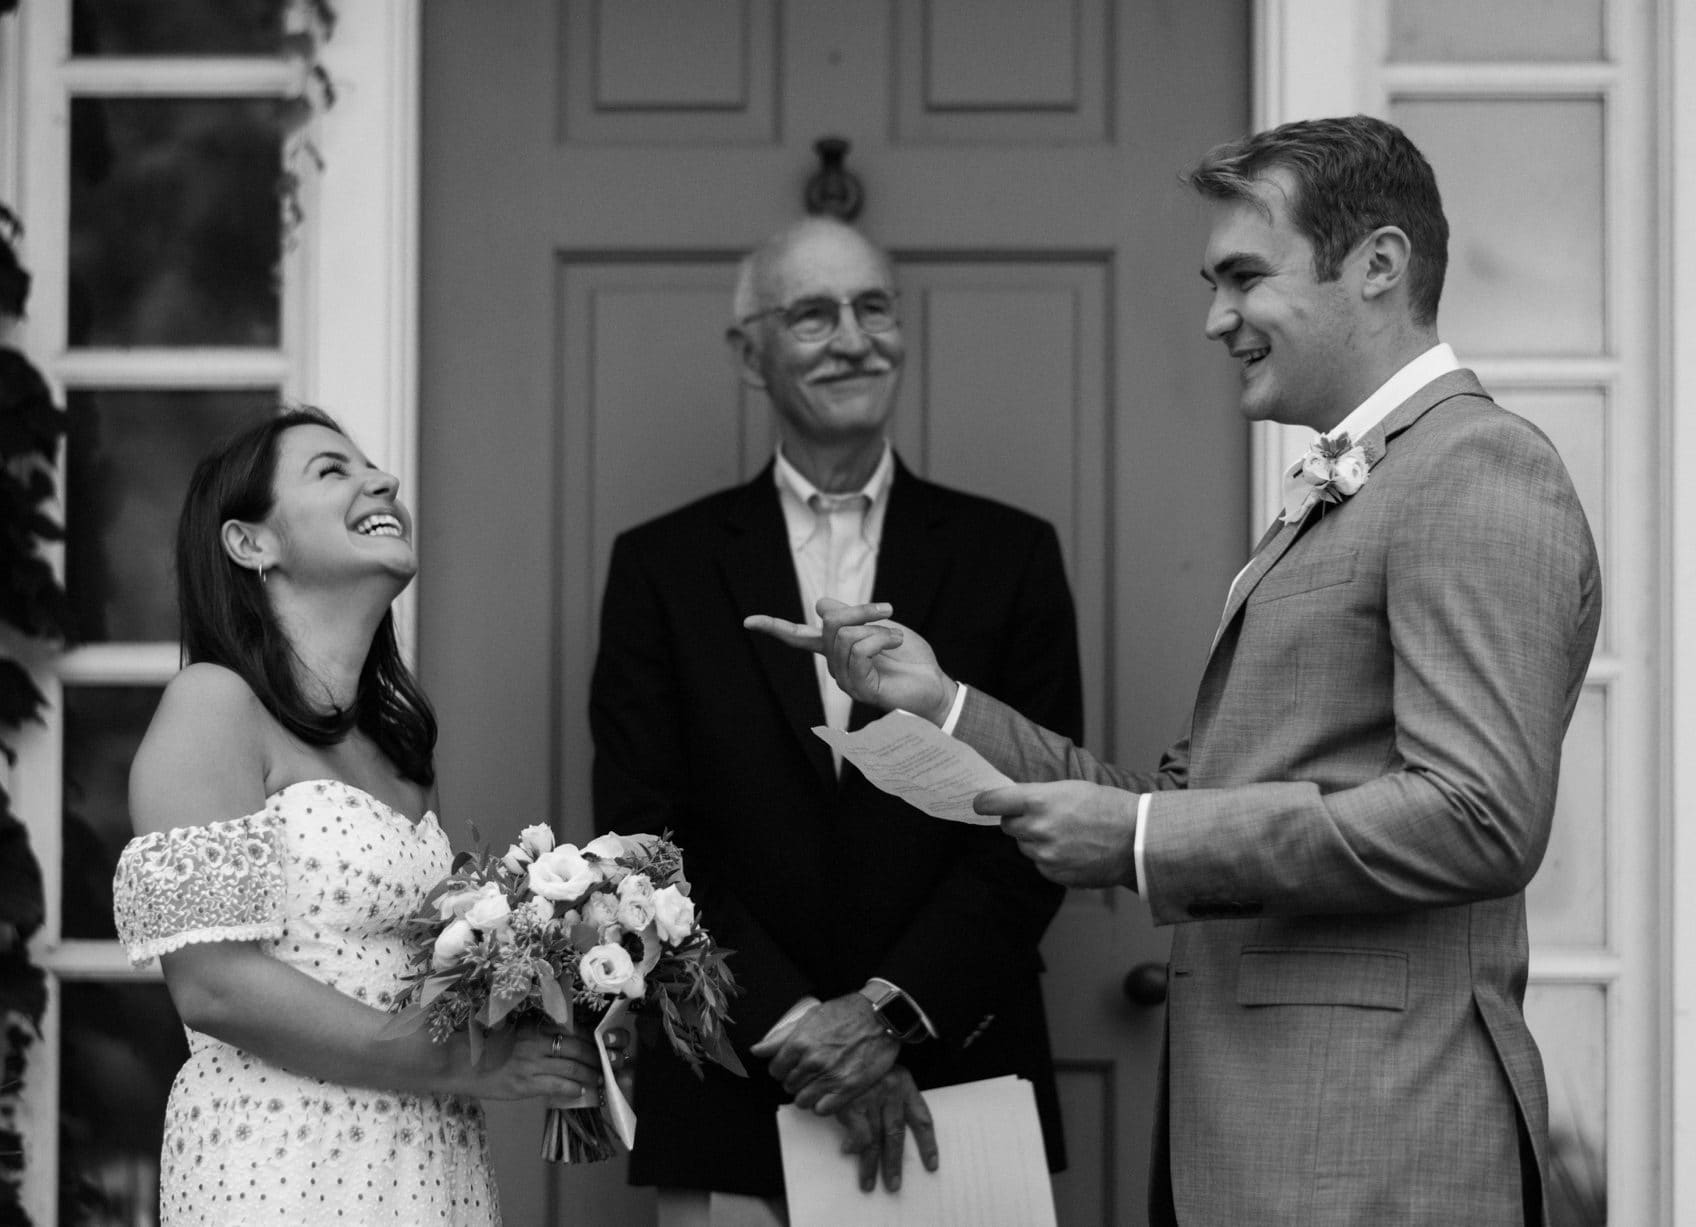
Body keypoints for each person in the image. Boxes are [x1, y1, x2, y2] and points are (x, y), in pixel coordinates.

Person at [751, 116, 1602, 1226]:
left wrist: (1145, 843)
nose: (1215, 318)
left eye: (1244, 277)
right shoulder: (1354, 490)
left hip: (1379, 1152)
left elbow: (1480, 815)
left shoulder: (1476, 471)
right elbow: (1171, 806)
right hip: (1266, 1151)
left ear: (1379, 265)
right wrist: (940, 702)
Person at [590, 216, 1081, 1223]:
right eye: (813, 315)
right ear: (748, 352)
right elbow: (646, 839)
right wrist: (803, 1027)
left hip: (961, 1077)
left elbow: (1036, 823)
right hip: (736, 1076)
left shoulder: (1011, 555)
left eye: (873, 308)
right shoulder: (662, 568)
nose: (853, 338)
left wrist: (887, 1015)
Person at [111, 408, 603, 1225]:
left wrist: (568, 990)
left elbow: (424, 980)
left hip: (427, 1155)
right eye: (332, 471)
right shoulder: (213, 705)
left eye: (372, 466)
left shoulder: (398, 751)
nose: (385, 481)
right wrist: (467, 1063)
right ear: (250, 543)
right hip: (283, 1158)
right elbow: (214, 987)